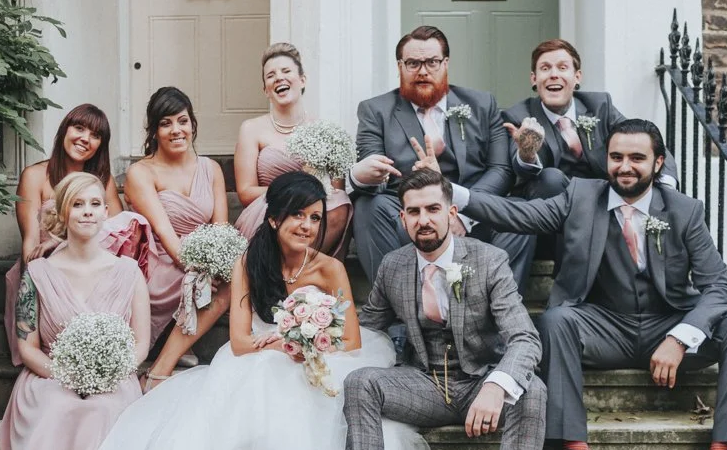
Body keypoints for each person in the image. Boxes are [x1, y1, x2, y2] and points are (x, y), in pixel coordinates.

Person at [58, 172, 428, 450]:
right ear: (273, 219)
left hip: (320, 360)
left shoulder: (330, 269)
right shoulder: (249, 263)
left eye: (315, 217)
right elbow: (239, 340)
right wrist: (278, 343)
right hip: (258, 356)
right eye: (297, 216)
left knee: (291, 383)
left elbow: (350, 341)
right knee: (267, 375)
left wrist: (304, 342)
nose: (307, 226)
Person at [460, 119, 727, 450]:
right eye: (616, 157)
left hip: (667, 325)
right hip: (604, 327)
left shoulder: (684, 210)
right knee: (555, 321)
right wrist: (453, 196)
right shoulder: (580, 197)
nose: (625, 166)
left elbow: (721, 287)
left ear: (658, 164)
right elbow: (518, 215)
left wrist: (679, 337)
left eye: (637, 158)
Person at [326, 168, 546, 450]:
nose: (423, 219)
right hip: (423, 384)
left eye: (432, 209)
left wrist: (497, 387)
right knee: (361, 383)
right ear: (402, 219)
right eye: (413, 211)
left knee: (532, 391)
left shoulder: (487, 260)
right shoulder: (393, 266)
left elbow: (525, 338)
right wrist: (313, 329)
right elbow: (366, 325)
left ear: (451, 211)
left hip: (480, 381)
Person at [0, 172, 151, 450]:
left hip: (112, 380)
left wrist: (106, 373)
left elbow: (140, 346)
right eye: (78, 204)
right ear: (63, 212)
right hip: (49, 377)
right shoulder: (38, 272)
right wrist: (68, 373)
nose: (88, 211)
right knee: (64, 404)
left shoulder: (129, 272)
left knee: (101, 410)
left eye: (96, 203)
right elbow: (27, 347)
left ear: (106, 211)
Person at [348, 25, 535, 290]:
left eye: (432, 62)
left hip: (471, 216)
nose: (423, 71)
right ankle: (397, 314)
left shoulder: (482, 104)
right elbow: (376, 174)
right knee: (369, 208)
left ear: (445, 63)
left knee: (518, 212)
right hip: (410, 218)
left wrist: (461, 214)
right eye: (413, 63)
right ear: (399, 66)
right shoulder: (375, 111)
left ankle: (495, 313)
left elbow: (500, 170)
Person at [3, 104, 149, 365]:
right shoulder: (35, 176)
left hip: (91, 265)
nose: (85, 138)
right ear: (64, 130)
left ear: (100, 145)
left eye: (95, 135)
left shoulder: (101, 181)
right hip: (43, 268)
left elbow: (118, 231)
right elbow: (30, 243)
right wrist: (39, 280)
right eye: (79, 128)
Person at [123, 87, 230, 389]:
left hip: (201, 256)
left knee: (236, 277)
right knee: (199, 282)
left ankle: (161, 366)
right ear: (154, 131)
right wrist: (200, 270)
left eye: (182, 121)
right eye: (166, 123)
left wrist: (218, 266)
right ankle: (168, 359)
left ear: (193, 124)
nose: (176, 130)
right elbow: (164, 234)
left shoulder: (211, 169)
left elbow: (221, 229)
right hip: (160, 259)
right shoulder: (140, 173)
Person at [503, 39, 678, 200]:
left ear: (577, 77)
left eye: (562, 68)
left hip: (602, 200)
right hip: (550, 207)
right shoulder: (519, 116)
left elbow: (643, 139)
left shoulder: (600, 105)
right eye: (545, 68)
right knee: (550, 179)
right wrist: (527, 153)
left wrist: (666, 187)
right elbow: (521, 172)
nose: (553, 74)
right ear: (534, 79)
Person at [233, 42, 353, 256]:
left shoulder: (323, 130)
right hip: (268, 211)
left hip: (313, 217)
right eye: (270, 75)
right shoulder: (251, 129)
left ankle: (302, 273)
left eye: (286, 71)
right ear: (266, 90)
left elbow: (336, 188)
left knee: (340, 202)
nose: (278, 77)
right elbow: (245, 192)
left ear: (302, 80)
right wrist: (293, 192)